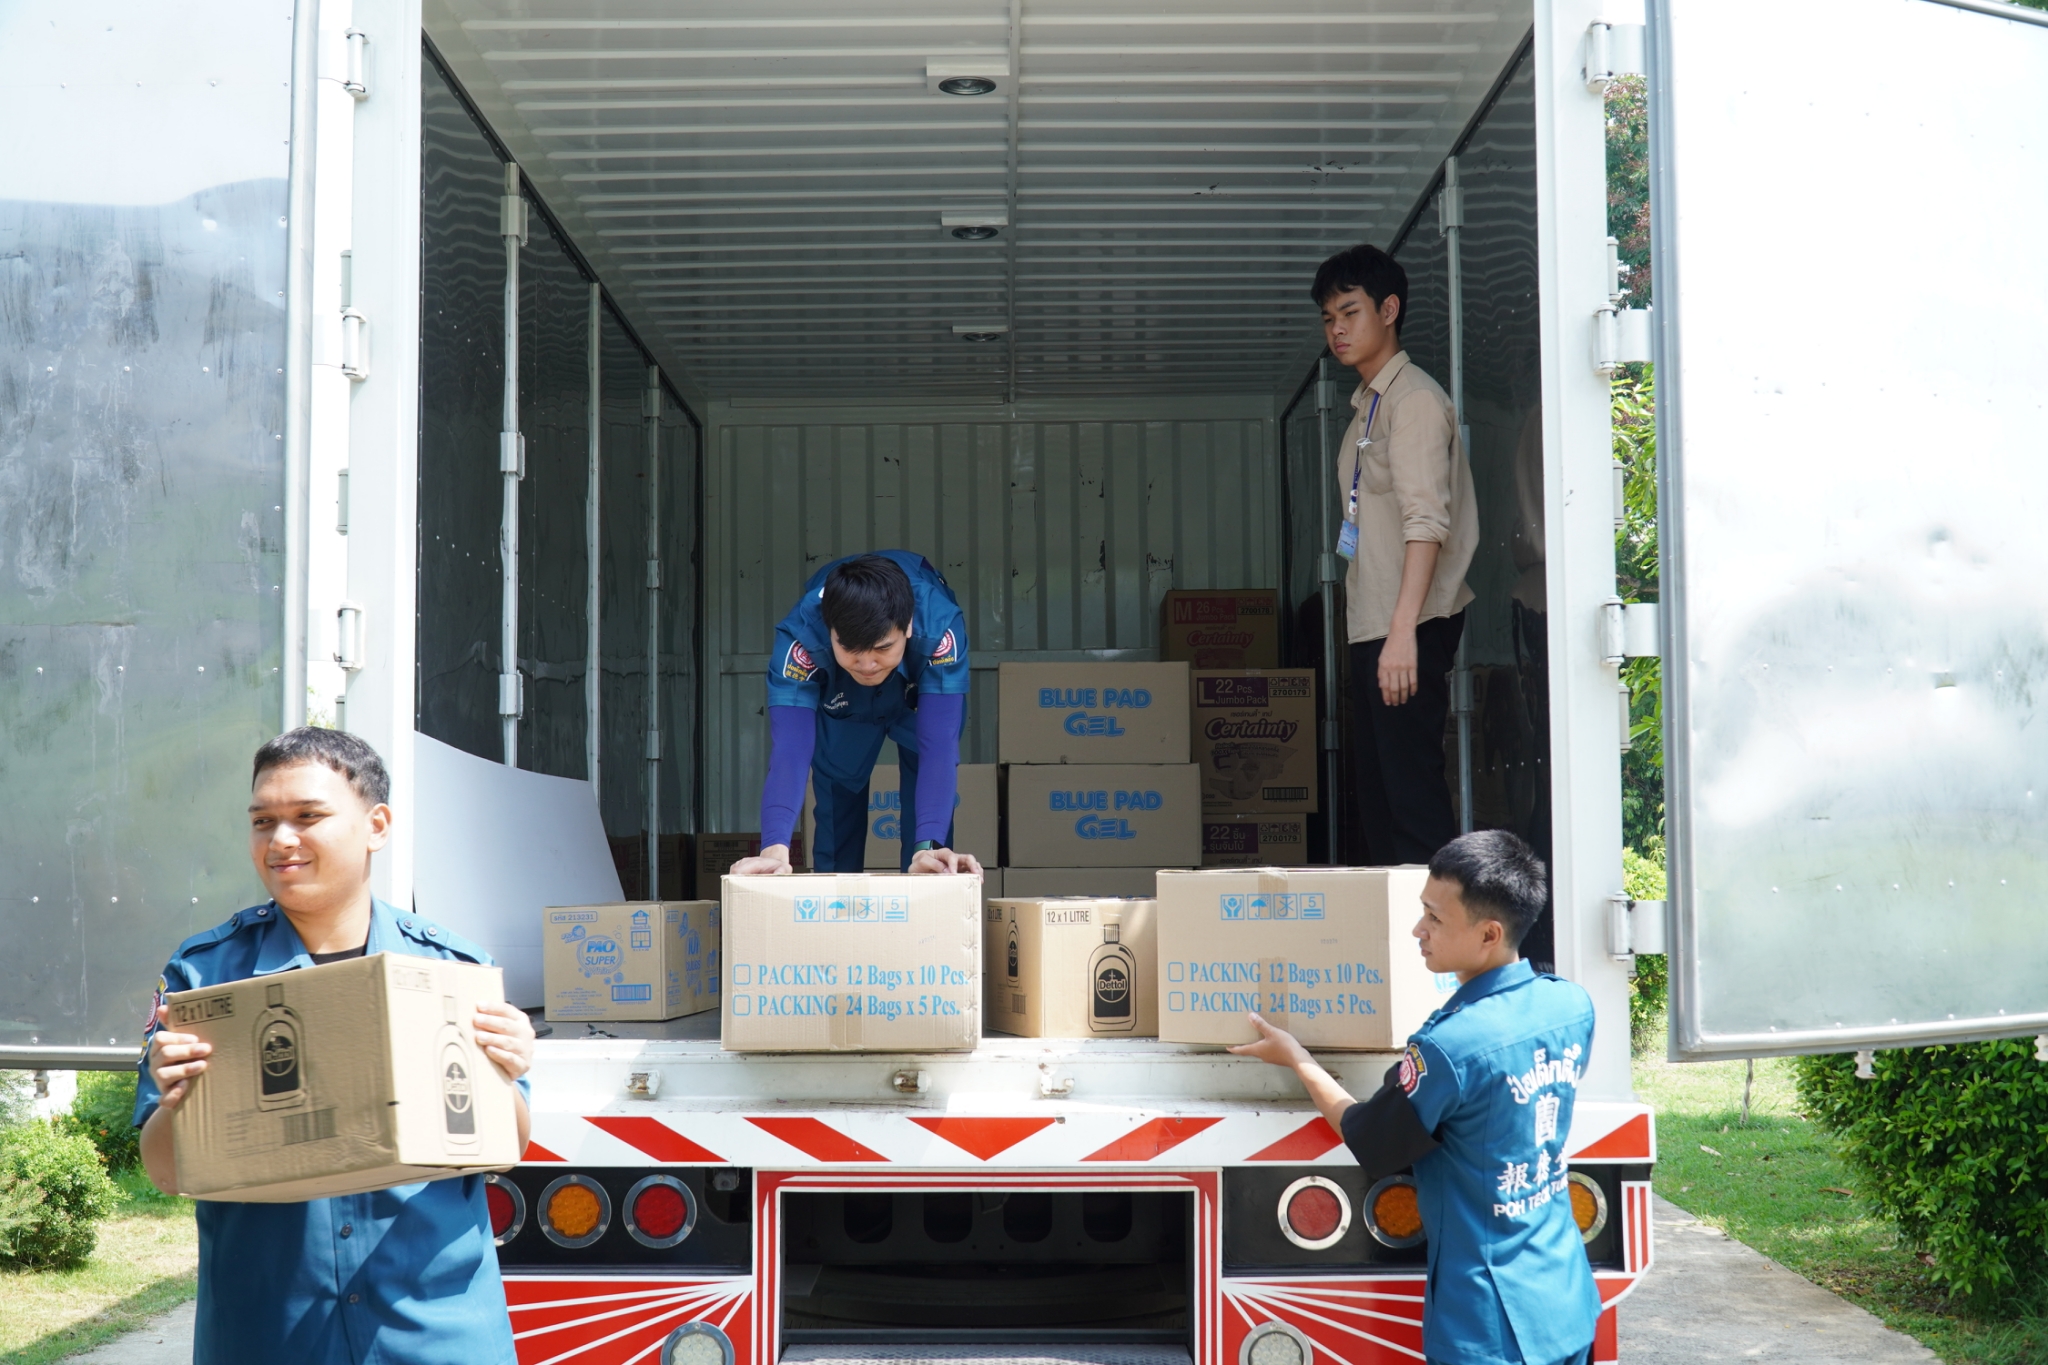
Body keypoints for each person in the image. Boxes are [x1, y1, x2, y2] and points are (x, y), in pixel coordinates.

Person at [136, 727, 536, 1365]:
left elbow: (507, 1147)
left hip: (434, 1332)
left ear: (376, 826)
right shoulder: (206, 978)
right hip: (273, 1335)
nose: (281, 839)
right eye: (262, 821)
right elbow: (164, 1172)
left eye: (307, 816)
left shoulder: (451, 971)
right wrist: (175, 1097)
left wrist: (505, 1070)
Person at [1229, 830, 1602, 1365]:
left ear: (1489, 934)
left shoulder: (1450, 1048)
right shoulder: (1571, 1005)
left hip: (1490, 1323)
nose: (1417, 930)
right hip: (1566, 1301)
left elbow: (1369, 1136)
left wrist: (1298, 1059)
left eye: (1434, 918)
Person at [1316, 244, 1479, 865]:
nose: (1337, 329)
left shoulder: (1412, 401)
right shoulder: (1370, 404)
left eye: (1350, 312)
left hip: (1408, 625)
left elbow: (1427, 523)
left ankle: (1436, 925)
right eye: (1328, 317)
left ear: (1389, 310)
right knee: (1381, 799)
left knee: (1411, 799)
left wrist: (1403, 634)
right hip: (1377, 624)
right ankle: (1398, 920)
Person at [732, 550, 981, 876]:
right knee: (838, 790)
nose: (867, 665)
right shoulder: (801, 638)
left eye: (882, 647)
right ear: (829, 629)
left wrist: (929, 846)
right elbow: (790, 750)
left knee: (930, 838)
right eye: (850, 648)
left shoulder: (939, 627)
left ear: (908, 625)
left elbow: (939, 747)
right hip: (842, 696)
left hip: (917, 689)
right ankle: (834, 903)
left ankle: (928, 865)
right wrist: (775, 849)